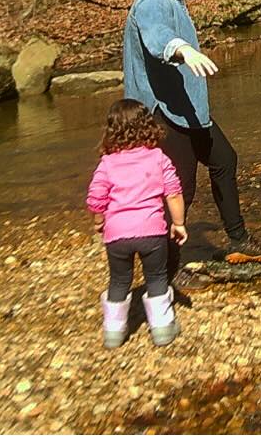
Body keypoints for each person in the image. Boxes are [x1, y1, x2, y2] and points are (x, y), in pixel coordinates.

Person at [123, 0, 261, 266]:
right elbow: (157, 38)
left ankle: (239, 240)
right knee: (180, 188)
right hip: (163, 112)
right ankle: (166, 271)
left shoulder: (174, 0)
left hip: (189, 110)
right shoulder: (152, 0)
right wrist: (181, 49)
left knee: (224, 160)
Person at [85, 98, 185, 349]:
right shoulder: (157, 158)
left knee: (119, 280)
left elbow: (96, 196)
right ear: (148, 127)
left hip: (117, 235)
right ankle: (162, 329)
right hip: (152, 232)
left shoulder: (107, 163)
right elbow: (173, 192)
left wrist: (99, 220)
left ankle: (114, 332)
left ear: (111, 130)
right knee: (156, 277)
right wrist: (178, 223)